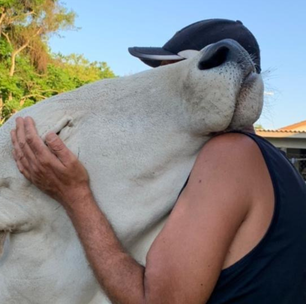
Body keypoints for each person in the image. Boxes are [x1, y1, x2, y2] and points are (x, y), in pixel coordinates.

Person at [10, 19, 306, 303]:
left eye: (168, 73)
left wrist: (75, 195)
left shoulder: (231, 155)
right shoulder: (275, 167)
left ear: (212, 70)